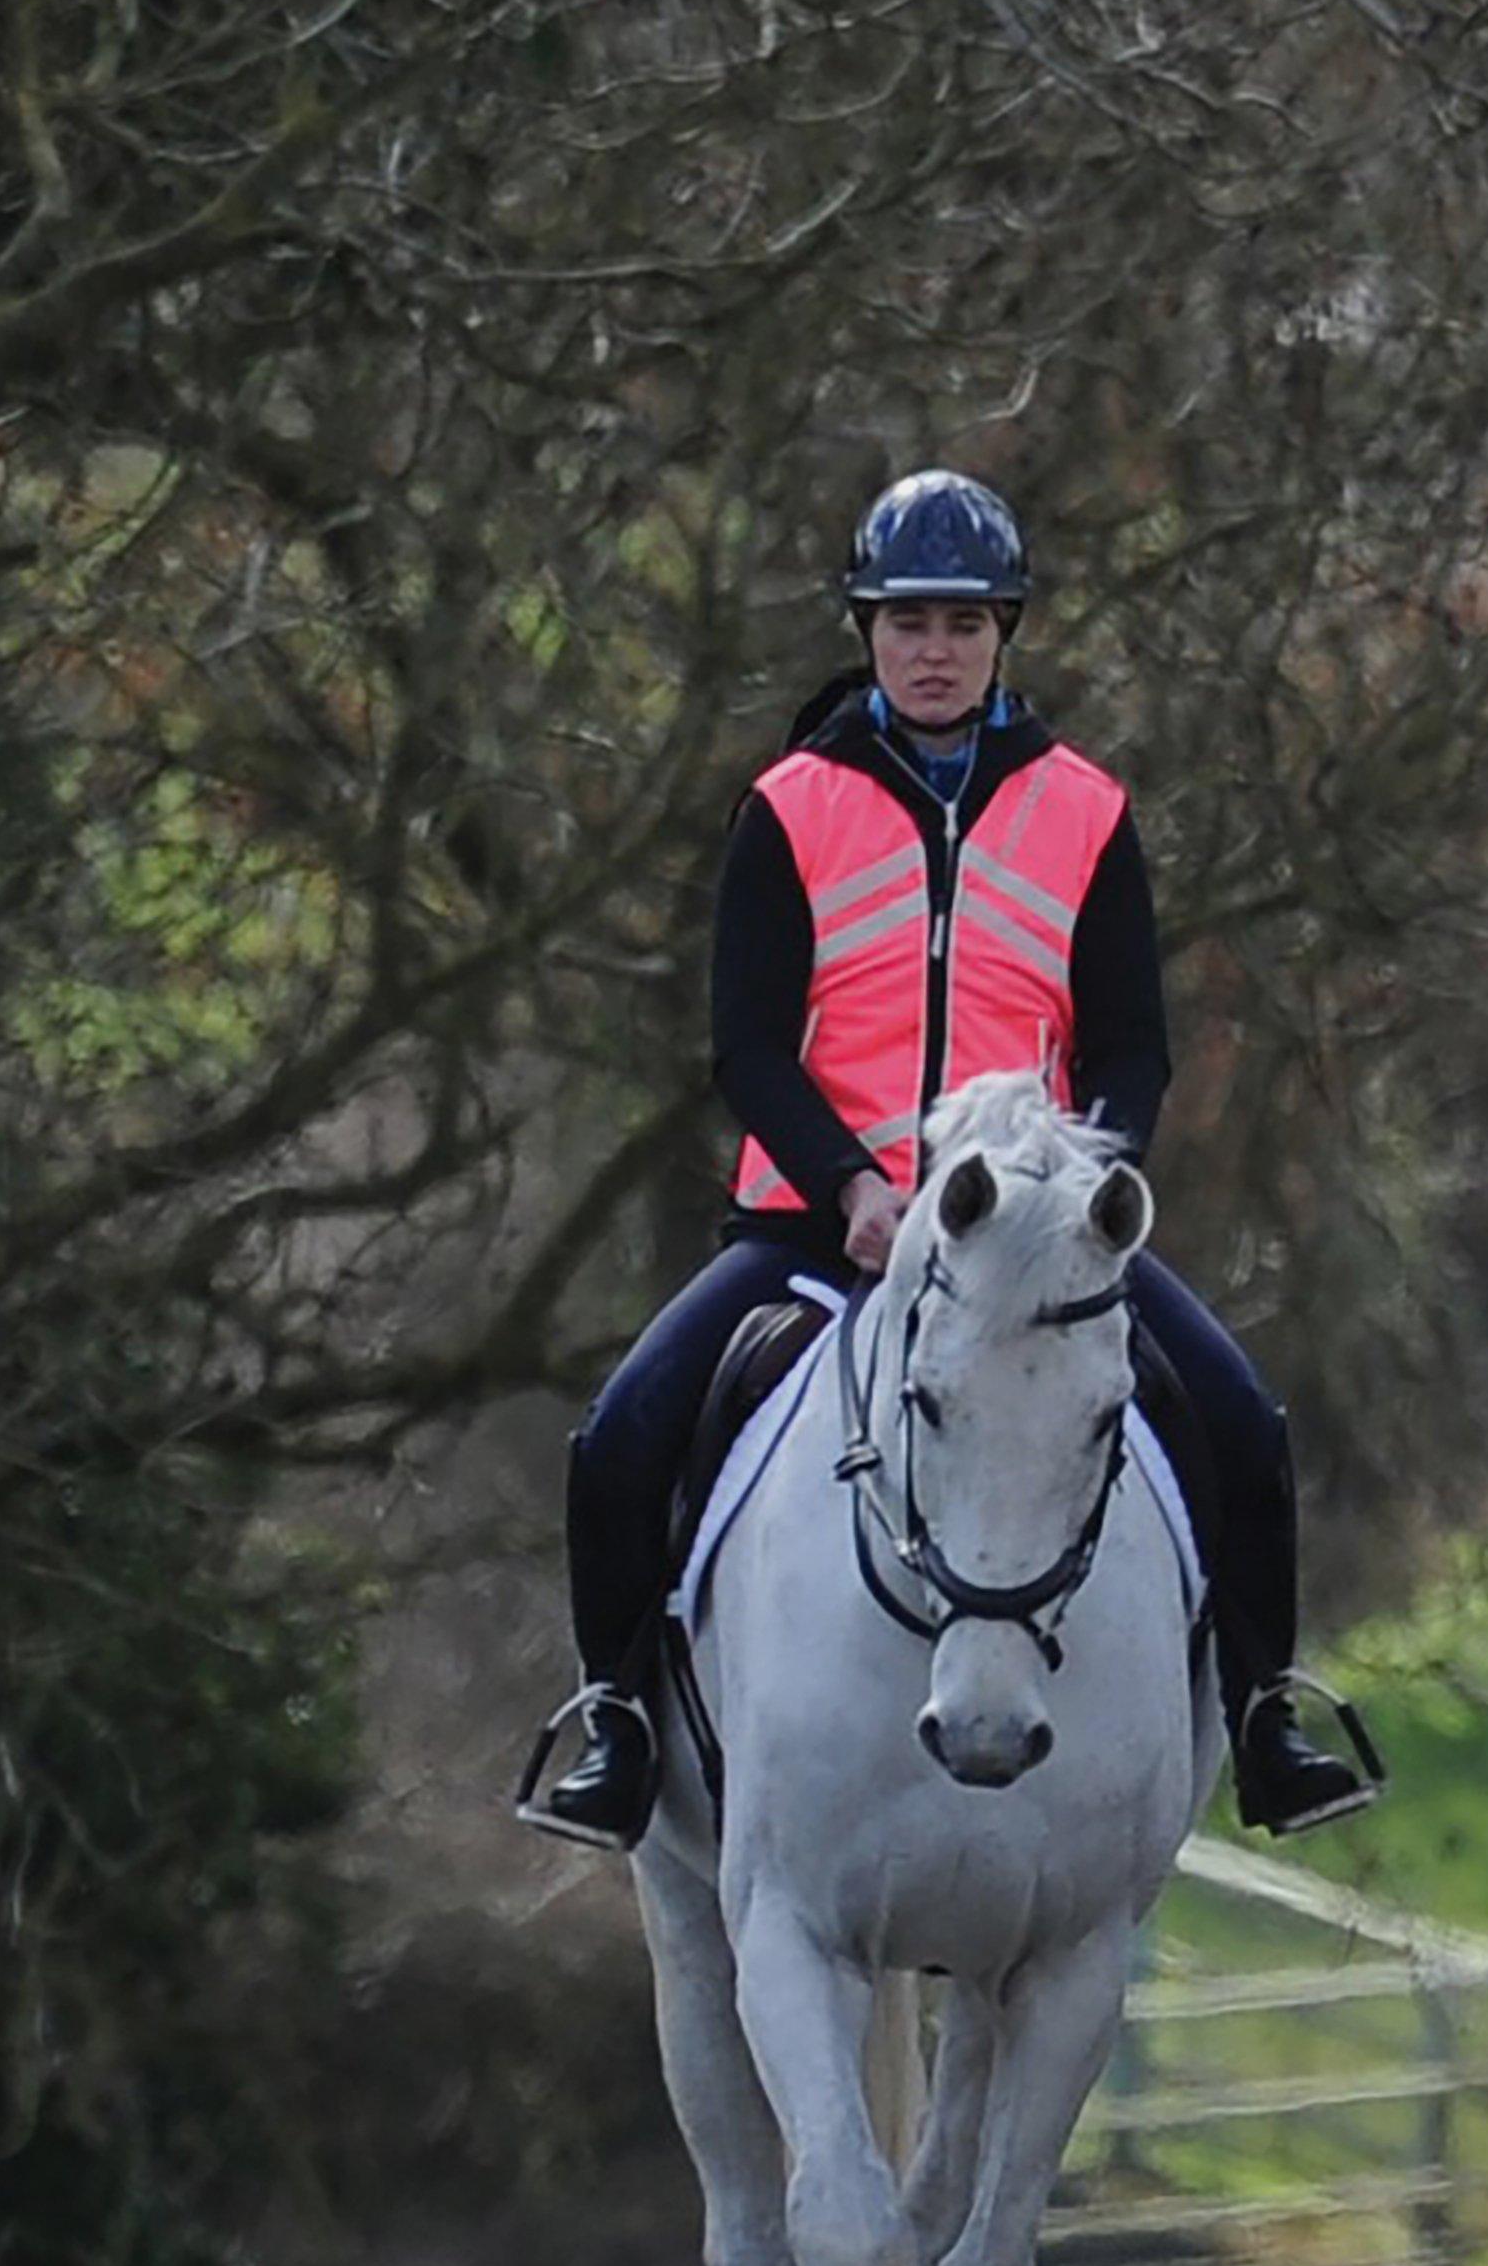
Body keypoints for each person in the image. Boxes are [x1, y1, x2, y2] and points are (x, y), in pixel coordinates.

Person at [517, 469, 1371, 1850]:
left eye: (965, 624)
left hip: (1026, 1241)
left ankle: (1267, 1714)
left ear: (1005, 633)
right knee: (618, 1434)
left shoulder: (1086, 810)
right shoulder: (787, 806)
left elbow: (1134, 1047)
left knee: (1246, 1422)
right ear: (864, 628)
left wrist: (1093, 1202)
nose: (936, 649)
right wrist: (851, 1184)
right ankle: (615, 1720)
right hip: (814, 1229)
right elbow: (745, 1044)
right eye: (908, 620)